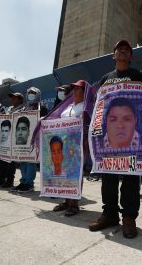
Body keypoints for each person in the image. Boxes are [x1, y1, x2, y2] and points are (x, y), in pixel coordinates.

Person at [89, 39, 142, 239]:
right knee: (108, 179)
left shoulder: (139, 76)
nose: (123, 52)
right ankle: (109, 214)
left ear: (131, 56)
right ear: (113, 56)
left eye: (127, 50)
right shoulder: (106, 78)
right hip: (109, 140)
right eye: (119, 50)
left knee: (131, 180)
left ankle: (129, 217)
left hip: (131, 142)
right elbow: (101, 108)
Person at [47, 79, 94, 216]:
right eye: (74, 89)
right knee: (65, 172)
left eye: (78, 89)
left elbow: (89, 125)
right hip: (63, 144)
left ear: (85, 92)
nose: (75, 91)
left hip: (78, 144)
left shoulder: (87, 107)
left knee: (76, 172)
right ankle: (66, 201)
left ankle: (74, 203)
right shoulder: (69, 107)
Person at [12, 87, 48, 193]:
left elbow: (45, 120)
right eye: (29, 93)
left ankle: (29, 183)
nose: (30, 95)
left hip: (34, 139)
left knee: (30, 162)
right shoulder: (23, 109)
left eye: (33, 93)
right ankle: (23, 182)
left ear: (37, 95)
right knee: (23, 160)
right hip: (23, 140)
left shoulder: (41, 107)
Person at [0, 92, 24, 188]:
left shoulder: (22, 110)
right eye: (11, 98)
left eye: (14, 98)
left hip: (13, 140)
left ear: (20, 100)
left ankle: (9, 181)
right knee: (1, 160)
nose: (12, 99)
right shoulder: (8, 109)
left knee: (10, 162)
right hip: (4, 138)